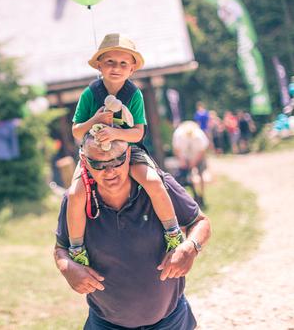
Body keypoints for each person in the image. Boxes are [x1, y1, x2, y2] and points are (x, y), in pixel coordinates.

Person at [54, 134, 211, 329]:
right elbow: (61, 248)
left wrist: (191, 247)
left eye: (117, 161)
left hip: (170, 320)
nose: (109, 171)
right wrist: (67, 268)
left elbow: (200, 222)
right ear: (85, 162)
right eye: (99, 164)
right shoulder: (75, 201)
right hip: (106, 323)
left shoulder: (158, 184)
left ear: (128, 154)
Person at [67, 33, 184, 267]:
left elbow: (138, 133)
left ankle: (172, 232)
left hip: (128, 150)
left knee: (152, 182)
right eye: (110, 62)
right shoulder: (90, 93)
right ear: (99, 65)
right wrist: (95, 120)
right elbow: (77, 132)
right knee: (75, 194)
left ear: (132, 69)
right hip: (94, 152)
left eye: (123, 63)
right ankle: (77, 247)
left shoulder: (134, 95)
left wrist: (116, 133)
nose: (116, 68)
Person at [172, 121, 209, 205]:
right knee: (187, 177)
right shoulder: (178, 134)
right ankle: (190, 197)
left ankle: (201, 195)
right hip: (185, 157)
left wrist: (194, 162)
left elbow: (202, 150)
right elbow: (176, 149)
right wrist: (182, 160)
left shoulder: (199, 135)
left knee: (201, 175)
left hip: (197, 156)